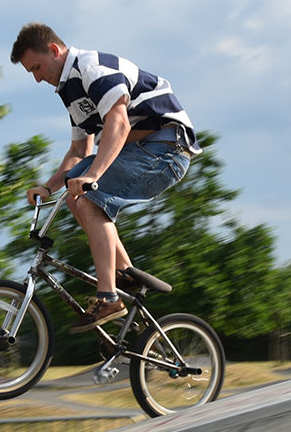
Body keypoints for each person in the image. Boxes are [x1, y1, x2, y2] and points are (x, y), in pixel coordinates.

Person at [11, 23, 199, 332]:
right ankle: (124, 275)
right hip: (144, 150)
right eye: (31, 72)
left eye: (37, 67)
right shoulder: (69, 90)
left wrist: (93, 175)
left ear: (55, 51)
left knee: (87, 196)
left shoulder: (91, 68)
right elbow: (78, 149)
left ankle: (109, 296)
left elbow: (119, 123)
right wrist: (47, 187)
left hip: (167, 149)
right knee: (76, 194)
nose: (36, 77)